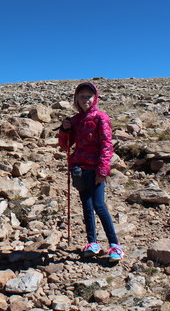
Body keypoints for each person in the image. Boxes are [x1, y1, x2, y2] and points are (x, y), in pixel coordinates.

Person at [58, 82, 124, 263]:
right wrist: (64, 130)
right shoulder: (75, 120)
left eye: (89, 96)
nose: (85, 99)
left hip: (95, 169)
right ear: (76, 99)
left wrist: (103, 169)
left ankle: (114, 245)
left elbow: (106, 145)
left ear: (95, 98)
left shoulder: (101, 118)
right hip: (79, 169)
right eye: (82, 96)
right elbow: (65, 146)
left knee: (99, 205)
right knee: (87, 207)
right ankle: (92, 243)